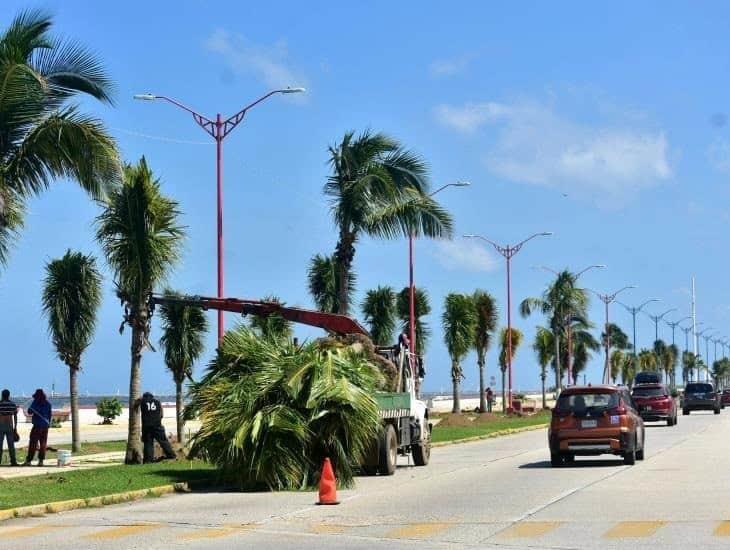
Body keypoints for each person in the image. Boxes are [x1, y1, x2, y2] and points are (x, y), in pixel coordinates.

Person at [141, 392, 176, 463]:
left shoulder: (143, 401)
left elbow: (136, 404)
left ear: (144, 397)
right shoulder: (158, 402)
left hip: (147, 426)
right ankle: (171, 455)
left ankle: (148, 460)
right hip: (157, 425)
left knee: (148, 443)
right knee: (163, 441)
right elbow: (162, 414)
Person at [24, 389, 51, 467]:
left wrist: (32, 408)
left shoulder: (35, 402)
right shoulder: (48, 404)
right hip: (45, 426)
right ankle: (41, 461)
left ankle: (29, 460)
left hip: (37, 426)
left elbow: (29, 411)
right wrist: (48, 425)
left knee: (33, 443)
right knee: (43, 444)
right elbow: (49, 415)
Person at [0, 389, 19, 466]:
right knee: (11, 445)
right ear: (8, 395)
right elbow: (15, 416)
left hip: (0, 425)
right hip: (10, 425)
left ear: (2, 395)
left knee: (0, 444)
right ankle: (13, 461)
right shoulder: (12, 404)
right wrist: (15, 427)